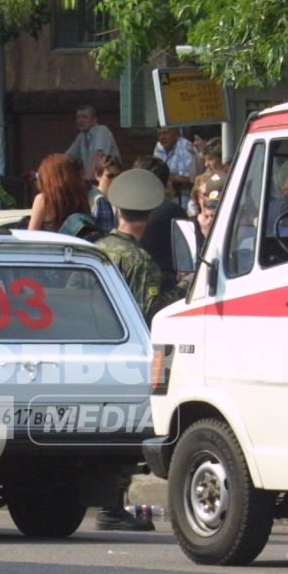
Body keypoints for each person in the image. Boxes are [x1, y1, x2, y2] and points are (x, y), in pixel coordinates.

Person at [93, 168, 183, 533]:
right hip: (126, 356)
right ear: (149, 215)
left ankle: (108, 504)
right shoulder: (139, 260)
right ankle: (113, 506)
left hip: (93, 351)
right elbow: (148, 316)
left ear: (117, 211)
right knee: (125, 432)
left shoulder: (97, 251)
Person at [26, 153, 91, 234]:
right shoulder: (80, 197)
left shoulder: (43, 200)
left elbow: (31, 235)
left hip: (52, 246)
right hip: (78, 245)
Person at [64, 105, 119, 175]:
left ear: (94, 119)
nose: (80, 120)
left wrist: (87, 178)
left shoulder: (102, 130)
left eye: (84, 117)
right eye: (78, 117)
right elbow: (68, 157)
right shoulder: (81, 136)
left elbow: (99, 154)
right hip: (92, 181)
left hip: (108, 180)